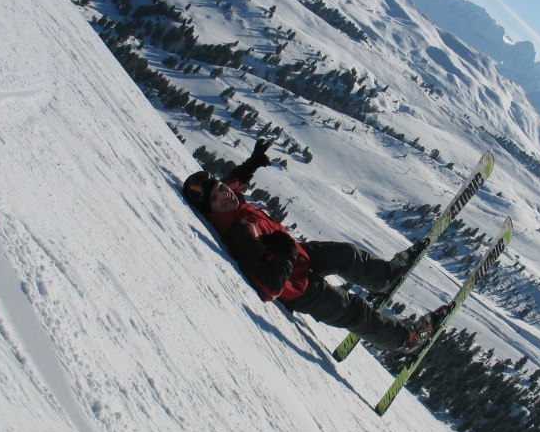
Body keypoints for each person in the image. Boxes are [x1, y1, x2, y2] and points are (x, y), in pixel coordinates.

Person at [183, 139, 446, 354]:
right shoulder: (240, 233)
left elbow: (233, 181)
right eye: (216, 197)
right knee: (354, 310)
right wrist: (286, 252)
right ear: (211, 211)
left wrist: (253, 163)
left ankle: (385, 277)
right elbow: (271, 286)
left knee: (346, 254)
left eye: (220, 188)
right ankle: (406, 341)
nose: (225, 194)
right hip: (297, 287)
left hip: (300, 256)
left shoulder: (228, 205)